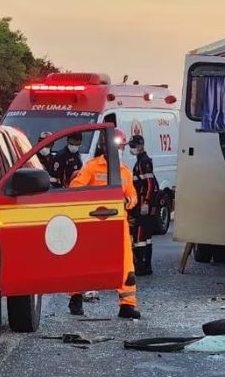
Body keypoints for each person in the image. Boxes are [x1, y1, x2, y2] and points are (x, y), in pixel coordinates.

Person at [68, 128, 141, 319]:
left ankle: (127, 305)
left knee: (126, 265)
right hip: (93, 223)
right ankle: (75, 297)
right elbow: (75, 189)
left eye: (121, 147)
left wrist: (128, 202)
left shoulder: (125, 171)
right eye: (118, 146)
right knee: (83, 261)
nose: (120, 150)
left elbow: (132, 195)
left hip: (118, 224)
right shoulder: (92, 167)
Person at [128, 135, 159, 276]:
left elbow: (149, 184)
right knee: (145, 237)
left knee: (140, 237)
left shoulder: (144, 162)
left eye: (134, 146)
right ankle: (146, 266)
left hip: (143, 204)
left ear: (141, 145)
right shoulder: (140, 161)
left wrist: (146, 202)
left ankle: (142, 266)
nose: (133, 149)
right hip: (142, 204)